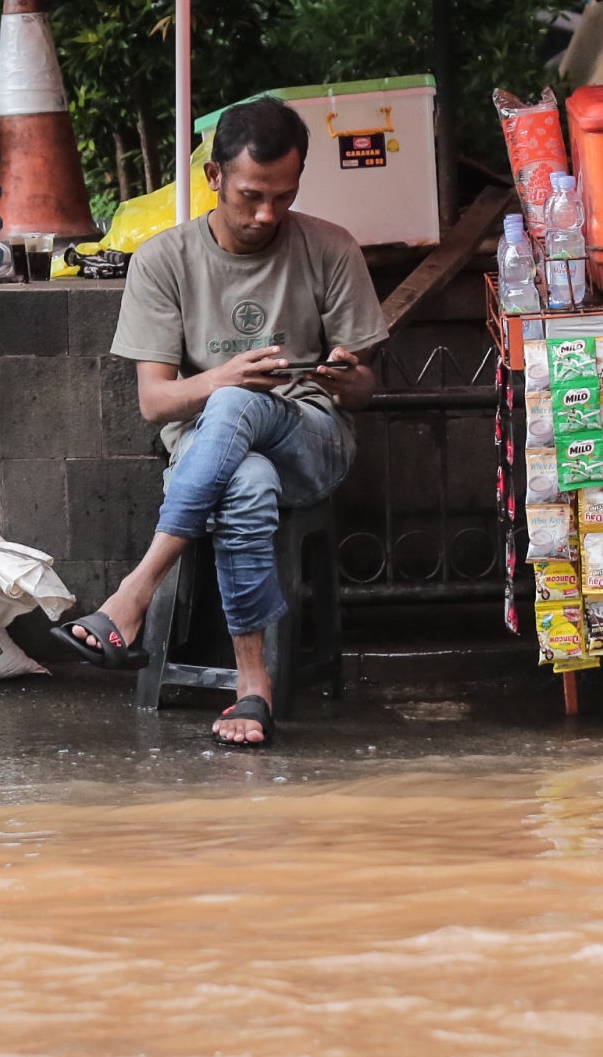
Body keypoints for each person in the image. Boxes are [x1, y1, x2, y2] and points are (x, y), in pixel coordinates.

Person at [55, 98, 387, 747]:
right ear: (213, 178)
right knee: (245, 478)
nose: (267, 214)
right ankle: (253, 687)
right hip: (209, 454)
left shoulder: (329, 247)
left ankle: (135, 589)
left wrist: (351, 380)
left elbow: (366, 390)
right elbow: (155, 403)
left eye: (283, 197)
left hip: (311, 440)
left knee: (242, 417)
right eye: (251, 196)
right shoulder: (163, 260)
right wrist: (224, 379)